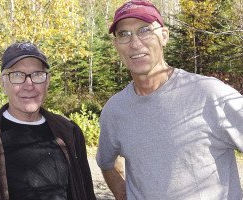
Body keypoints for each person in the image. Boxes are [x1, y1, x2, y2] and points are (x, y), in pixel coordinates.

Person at [96, 0, 243, 199]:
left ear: (164, 36)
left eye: (144, 30)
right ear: (116, 45)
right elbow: (106, 163)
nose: (135, 43)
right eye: (124, 34)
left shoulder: (208, 93)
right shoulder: (115, 110)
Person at [0, 41, 96, 200]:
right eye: (17, 75)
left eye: (37, 75)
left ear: (47, 81)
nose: (29, 84)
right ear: (3, 83)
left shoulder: (69, 132)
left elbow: (86, 192)